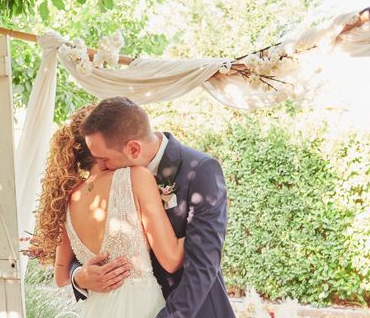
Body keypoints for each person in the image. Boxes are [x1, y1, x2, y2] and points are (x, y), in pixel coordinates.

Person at [71, 96, 235, 318]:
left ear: (134, 149)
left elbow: (203, 265)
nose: (98, 166)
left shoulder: (200, 170)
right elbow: (88, 246)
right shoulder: (113, 180)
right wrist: (79, 277)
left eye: (104, 158)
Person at [33, 104, 185, 318]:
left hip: (96, 309)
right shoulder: (135, 177)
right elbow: (171, 260)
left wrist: (80, 277)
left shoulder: (67, 199)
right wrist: (202, 222)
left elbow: (61, 277)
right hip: (140, 307)